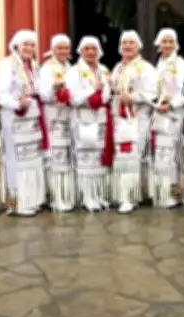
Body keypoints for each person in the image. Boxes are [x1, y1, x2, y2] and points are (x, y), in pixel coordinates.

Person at [0, 29, 48, 216]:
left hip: (31, 117)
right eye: (25, 44)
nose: (29, 48)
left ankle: (32, 198)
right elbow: (1, 93)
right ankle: (18, 202)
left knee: (32, 158)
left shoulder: (34, 65)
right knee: (16, 157)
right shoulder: (7, 64)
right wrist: (17, 103)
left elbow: (39, 89)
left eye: (32, 44)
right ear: (16, 45)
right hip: (14, 116)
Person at [109, 30, 156, 214]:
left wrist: (134, 97)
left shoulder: (146, 68)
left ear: (139, 47)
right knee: (122, 159)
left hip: (137, 119)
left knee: (133, 157)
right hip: (119, 120)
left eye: (131, 43)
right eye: (124, 43)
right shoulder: (118, 68)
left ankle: (131, 197)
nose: (127, 46)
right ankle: (123, 194)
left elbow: (152, 93)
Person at [65, 36, 112, 212]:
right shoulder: (74, 71)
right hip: (82, 119)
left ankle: (98, 196)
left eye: (94, 48)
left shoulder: (104, 70)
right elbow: (73, 98)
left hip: (100, 120)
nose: (91, 52)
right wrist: (93, 89)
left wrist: (103, 93)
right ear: (81, 51)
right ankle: (87, 197)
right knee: (86, 160)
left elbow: (107, 94)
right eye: (87, 49)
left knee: (99, 160)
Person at [150, 28, 184, 208]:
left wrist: (172, 104)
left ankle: (174, 195)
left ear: (176, 44)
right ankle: (163, 193)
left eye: (170, 42)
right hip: (159, 114)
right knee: (162, 154)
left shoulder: (180, 64)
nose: (167, 45)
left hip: (173, 114)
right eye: (164, 41)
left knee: (171, 154)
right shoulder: (158, 64)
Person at [39, 34, 76, 212]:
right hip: (53, 116)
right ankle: (56, 196)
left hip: (67, 116)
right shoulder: (47, 68)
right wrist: (54, 87)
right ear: (53, 50)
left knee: (66, 156)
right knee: (55, 157)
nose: (63, 51)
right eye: (59, 48)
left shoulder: (70, 67)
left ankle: (66, 194)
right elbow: (43, 94)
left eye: (66, 48)